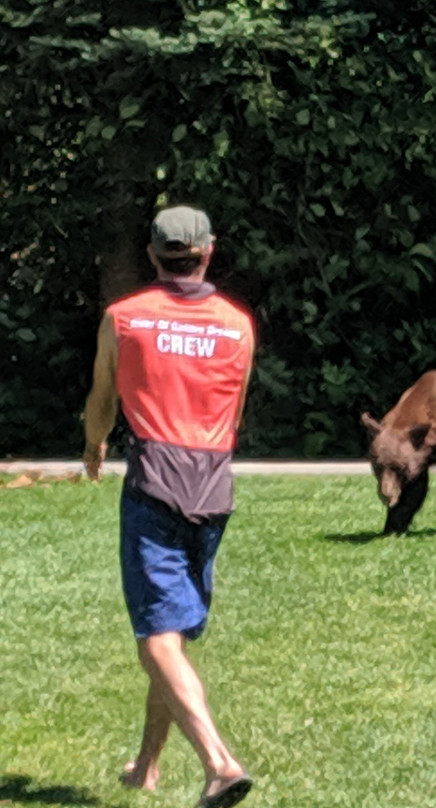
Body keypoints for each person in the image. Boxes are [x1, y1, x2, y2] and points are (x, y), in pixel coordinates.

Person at [83, 205, 256, 808]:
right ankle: (147, 768)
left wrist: (94, 442)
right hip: (213, 484)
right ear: (207, 252)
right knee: (173, 633)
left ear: (154, 256)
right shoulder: (237, 325)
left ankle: (219, 762)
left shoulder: (124, 318)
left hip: (154, 479)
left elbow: (103, 399)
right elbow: (233, 415)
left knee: (155, 637)